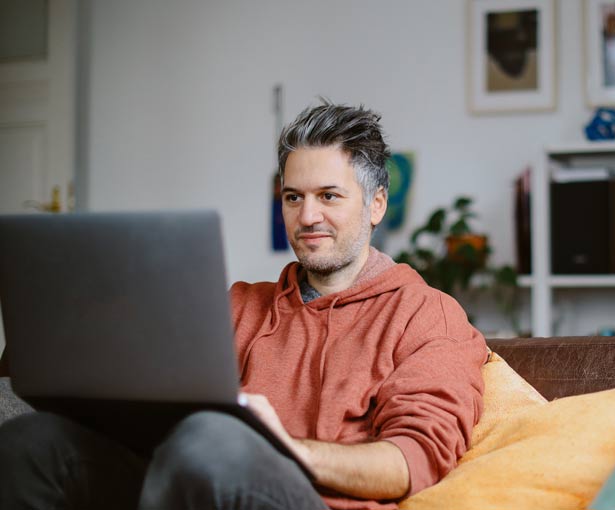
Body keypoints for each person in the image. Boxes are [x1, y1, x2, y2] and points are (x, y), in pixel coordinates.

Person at [0, 101, 488, 510]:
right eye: (293, 197)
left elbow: (412, 460)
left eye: (329, 196)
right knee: (31, 444)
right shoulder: (235, 304)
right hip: (183, 481)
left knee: (211, 442)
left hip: (311, 499)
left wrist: (286, 449)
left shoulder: (427, 314)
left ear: (376, 203)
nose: (307, 216)